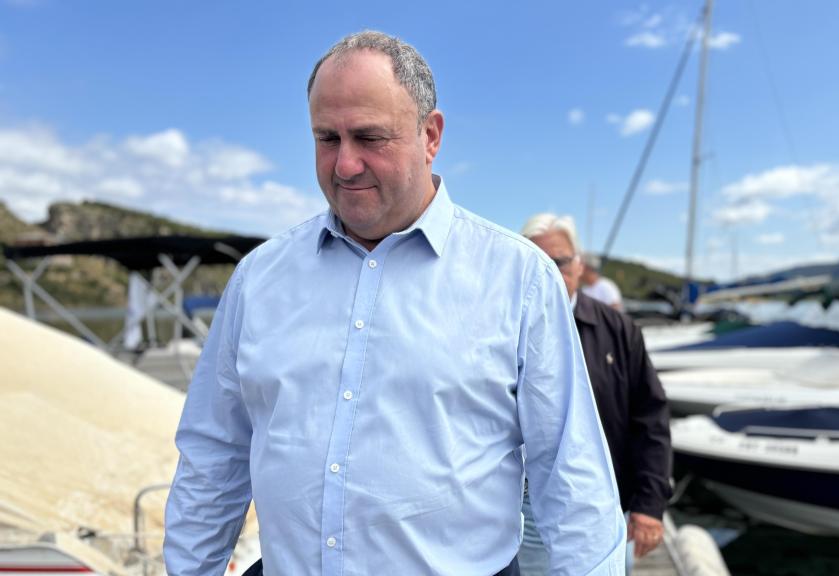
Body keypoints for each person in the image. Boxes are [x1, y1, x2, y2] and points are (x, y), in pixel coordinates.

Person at [163, 31, 626, 575]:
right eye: (326, 138)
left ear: (430, 135)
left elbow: (571, 478)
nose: (345, 164)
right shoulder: (258, 279)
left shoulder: (518, 279)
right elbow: (213, 457)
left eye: (369, 137)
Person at [519, 214, 672, 575]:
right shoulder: (501, 323)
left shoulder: (618, 329)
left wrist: (649, 505)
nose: (550, 271)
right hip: (525, 513)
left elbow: (650, 417)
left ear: (579, 264)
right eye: (537, 260)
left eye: (559, 261)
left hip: (605, 506)